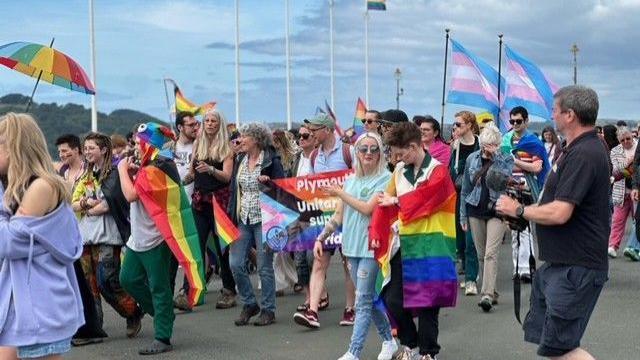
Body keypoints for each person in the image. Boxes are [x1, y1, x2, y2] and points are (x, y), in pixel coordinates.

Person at [496, 85, 609, 360]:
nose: (552, 116)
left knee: (561, 348)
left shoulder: (585, 153)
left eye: (555, 110)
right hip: (563, 264)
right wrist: (524, 214)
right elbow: (552, 203)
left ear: (569, 114)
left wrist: (520, 210)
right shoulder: (574, 150)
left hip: (576, 267)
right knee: (555, 346)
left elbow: (560, 212)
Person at [0, 113, 84, 359]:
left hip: (39, 305)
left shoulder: (41, 187)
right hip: (26, 303)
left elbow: (7, 242)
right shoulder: (19, 187)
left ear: (15, 147)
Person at [375, 121, 457, 360]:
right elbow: (385, 199)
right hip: (404, 243)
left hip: (432, 243)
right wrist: (376, 232)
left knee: (429, 300)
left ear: (413, 147)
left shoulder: (438, 170)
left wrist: (398, 202)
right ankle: (410, 343)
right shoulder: (400, 170)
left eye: (400, 153)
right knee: (392, 298)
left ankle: (429, 351)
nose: (397, 158)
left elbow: (429, 199)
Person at [315, 132, 397, 360]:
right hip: (351, 247)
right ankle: (389, 340)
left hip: (373, 246)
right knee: (368, 298)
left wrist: (340, 192)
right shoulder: (350, 180)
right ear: (357, 153)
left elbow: (367, 208)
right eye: (363, 149)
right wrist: (321, 237)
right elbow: (339, 215)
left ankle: (354, 351)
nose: (368, 154)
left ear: (380, 153)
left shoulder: (386, 179)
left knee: (361, 300)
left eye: (373, 149)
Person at [119, 123, 198, 355]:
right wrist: (133, 172)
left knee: (159, 286)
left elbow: (132, 195)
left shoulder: (157, 167)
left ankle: (163, 336)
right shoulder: (151, 165)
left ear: (148, 143)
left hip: (156, 237)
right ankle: (163, 314)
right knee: (128, 279)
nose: (133, 147)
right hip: (140, 235)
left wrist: (123, 170)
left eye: (136, 142)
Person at [72, 133, 143, 341]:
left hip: (108, 236)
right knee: (89, 286)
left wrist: (91, 207)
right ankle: (94, 328)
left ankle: (132, 311)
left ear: (103, 150)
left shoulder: (113, 173)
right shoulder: (84, 175)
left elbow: (110, 203)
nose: (87, 152)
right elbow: (74, 203)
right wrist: (86, 205)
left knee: (106, 281)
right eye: (85, 148)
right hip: (86, 237)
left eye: (91, 148)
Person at [293, 114, 356, 328]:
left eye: (314, 130)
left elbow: (359, 179)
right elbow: (312, 188)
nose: (310, 134)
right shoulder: (313, 157)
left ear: (327, 130)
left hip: (347, 216)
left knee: (349, 264)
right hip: (324, 217)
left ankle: (351, 309)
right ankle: (312, 311)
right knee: (319, 262)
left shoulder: (349, 152)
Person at [174, 109, 238, 311]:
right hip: (200, 201)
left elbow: (227, 177)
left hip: (218, 202)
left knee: (222, 249)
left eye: (213, 121)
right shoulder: (198, 146)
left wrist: (210, 169)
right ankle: (188, 291)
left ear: (220, 124)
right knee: (195, 248)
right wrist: (177, 182)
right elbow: (192, 174)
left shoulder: (226, 148)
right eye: (207, 120)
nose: (209, 123)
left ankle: (229, 290)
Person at [228, 123, 285, 326]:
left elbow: (283, 190)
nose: (240, 139)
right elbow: (235, 190)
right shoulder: (241, 159)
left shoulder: (271, 161)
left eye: (245, 136)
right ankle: (250, 303)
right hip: (244, 218)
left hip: (265, 218)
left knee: (264, 266)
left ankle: (268, 310)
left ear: (256, 139)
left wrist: (268, 183)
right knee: (235, 263)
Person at [460, 125, 513, 312]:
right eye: (485, 145)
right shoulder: (471, 159)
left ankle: (487, 295)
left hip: (497, 209)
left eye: (492, 145)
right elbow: (465, 189)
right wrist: (463, 215)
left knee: (491, 253)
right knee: (482, 254)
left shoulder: (506, 158)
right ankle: (492, 290)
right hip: (475, 209)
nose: (488, 149)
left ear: (498, 144)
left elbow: (505, 178)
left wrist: (496, 156)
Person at [501, 106, 548, 282]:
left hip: (527, 188)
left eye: (518, 121)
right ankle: (517, 269)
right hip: (510, 188)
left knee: (526, 230)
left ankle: (526, 267)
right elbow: (502, 165)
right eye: (512, 121)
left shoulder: (533, 141)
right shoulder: (506, 140)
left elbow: (537, 167)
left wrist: (516, 161)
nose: (514, 124)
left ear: (526, 121)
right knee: (514, 229)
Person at [448, 110, 480, 295]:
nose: (455, 128)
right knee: (459, 239)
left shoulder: (479, 143)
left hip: (477, 195)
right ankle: (469, 270)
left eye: (459, 124)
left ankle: (471, 278)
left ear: (469, 125)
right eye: (454, 125)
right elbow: (451, 171)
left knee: (470, 240)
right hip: (459, 194)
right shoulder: (456, 146)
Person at [292, 126, 319, 311]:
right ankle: (309, 296)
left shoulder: (319, 158)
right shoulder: (296, 160)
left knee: (312, 257)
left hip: (316, 212)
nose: (301, 139)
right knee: (299, 258)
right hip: (298, 211)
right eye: (298, 136)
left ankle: (319, 292)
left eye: (305, 136)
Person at [271, 129, 299, 295]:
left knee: (289, 245)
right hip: (274, 204)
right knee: (277, 245)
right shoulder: (267, 159)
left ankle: (292, 278)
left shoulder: (292, 159)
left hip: (289, 204)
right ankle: (279, 282)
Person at [607, 126, 637, 258]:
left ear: (632, 136)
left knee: (637, 221)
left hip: (636, 190)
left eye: (628, 138)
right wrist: (629, 162)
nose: (626, 142)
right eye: (622, 140)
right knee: (617, 220)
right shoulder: (615, 151)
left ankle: (634, 248)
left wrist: (629, 168)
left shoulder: (638, 146)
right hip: (621, 190)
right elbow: (615, 170)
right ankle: (612, 246)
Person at [173, 111, 200, 199]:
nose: (195, 128)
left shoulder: (201, 147)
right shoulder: (169, 148)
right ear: (180, 127)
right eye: (191, 125)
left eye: (196, 124)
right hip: (178, 202)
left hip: (198, 202)